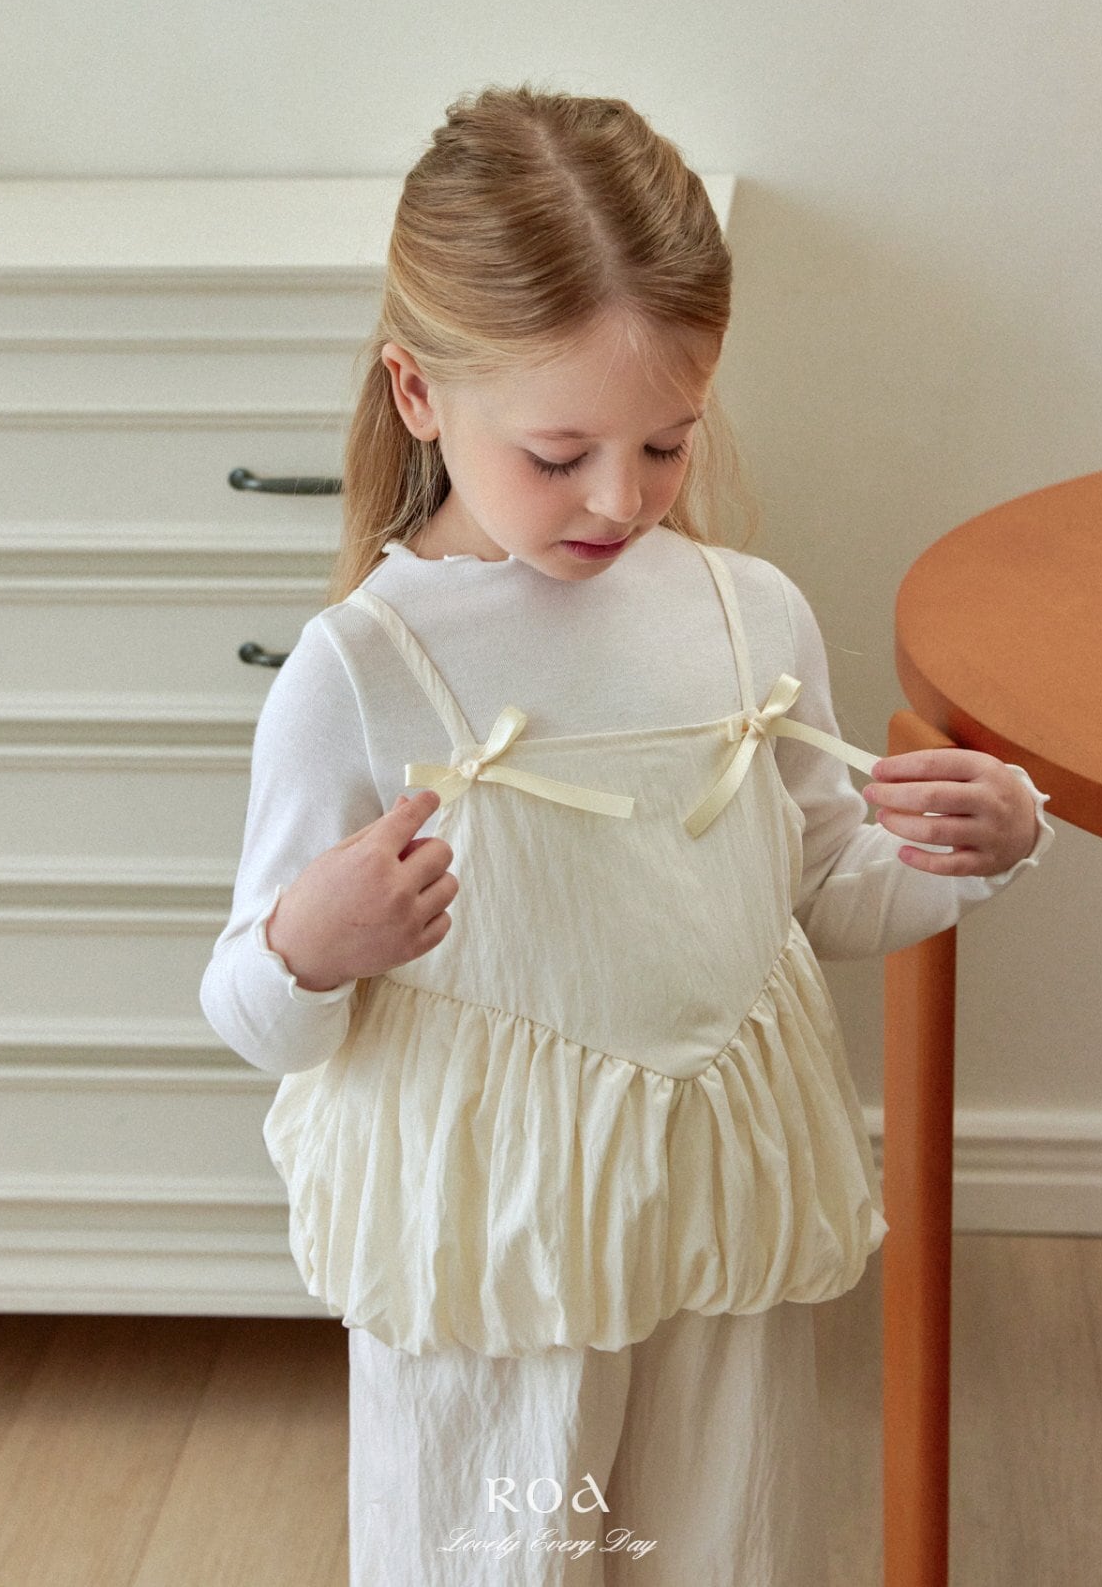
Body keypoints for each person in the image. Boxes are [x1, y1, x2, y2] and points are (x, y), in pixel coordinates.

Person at [200, 82, 1055, 1586]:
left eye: (667, 443)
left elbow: (820, 891)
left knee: (726, 1546)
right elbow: (250, 1010)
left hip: (714, 1208)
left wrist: (967, 851)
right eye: (559, 454)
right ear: (418, 394)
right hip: (496, 1250)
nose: (621, 499)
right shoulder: (359, 675)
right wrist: (310, 947)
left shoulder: (747, 613)